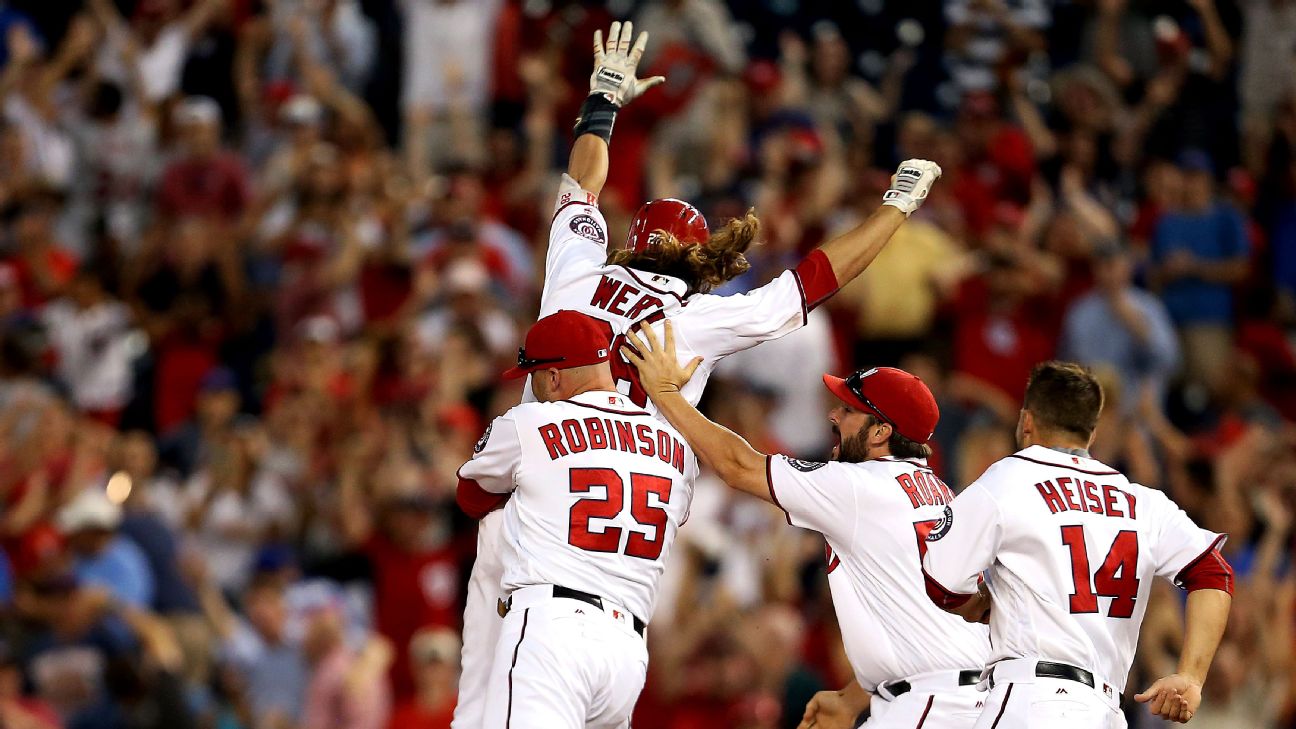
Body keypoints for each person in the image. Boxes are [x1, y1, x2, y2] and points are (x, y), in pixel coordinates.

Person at [453, 20, 944, 727]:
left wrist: (603, 101)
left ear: (635, 243)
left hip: (531, 513)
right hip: (631, 539)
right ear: (693, 258)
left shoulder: (576, 274)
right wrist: (895, 208)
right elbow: (811, 281)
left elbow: (581, 182)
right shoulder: (695, 315)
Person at [620, 322, 990, 728]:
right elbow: (920, 621)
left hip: (929, 705)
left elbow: (738, 465)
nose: (834, 415)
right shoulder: (941, 492)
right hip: (960, 695)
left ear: (882, 431)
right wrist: (854, 698)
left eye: (850, 410)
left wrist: (666, 395)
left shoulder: (860, 486)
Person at [921, 361, 1234, 727]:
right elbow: (1213, 572)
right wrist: (1192, 675)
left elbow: (941, 583)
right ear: (1093, 433)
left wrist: (984, 603)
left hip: (1033, 699)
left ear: (1026, 422)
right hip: (1104, 710)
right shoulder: (1142, 501)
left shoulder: (1008, 478)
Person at [455, 310, 699, 729]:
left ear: (553, 377)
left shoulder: (530, 422)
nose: (530, 387)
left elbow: (472, 497)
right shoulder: (678, 444)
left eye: (532, 375)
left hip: (553, 632)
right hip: (627, 652)